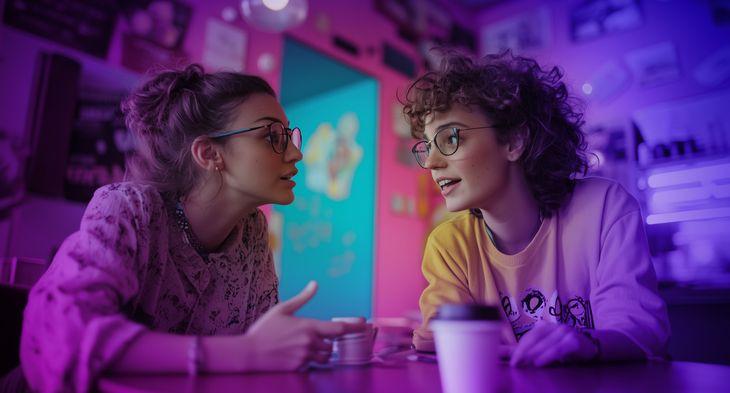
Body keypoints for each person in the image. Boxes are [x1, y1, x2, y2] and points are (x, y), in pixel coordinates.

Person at [20, 64, 363, 392]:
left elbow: (261, 351)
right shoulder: (129, 209)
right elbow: (64, 340)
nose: (295, 154)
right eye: (272, 136)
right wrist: (248, 352)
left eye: (289, 136)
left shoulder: (252, 232)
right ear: (209, 153)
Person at [403, 51, 670, 367]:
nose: (432, 163)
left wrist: (586, 342)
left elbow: (639, 333)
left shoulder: (605, 208)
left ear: (514, 141)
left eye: (450, 138)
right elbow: (441, 343)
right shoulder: (447, 245)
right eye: (428, 147)